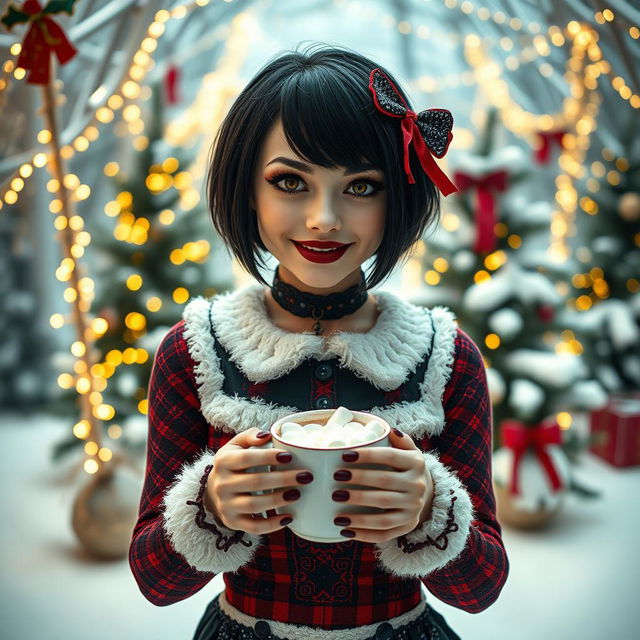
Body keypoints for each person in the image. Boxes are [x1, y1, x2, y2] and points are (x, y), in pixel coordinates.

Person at [129, 43, 509, 640]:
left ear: (397, 196)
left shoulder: (445, 356)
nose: (324, 218)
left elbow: (481, 589)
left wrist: (431, 507)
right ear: (246, 189)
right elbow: (155, 583)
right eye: (290, 181)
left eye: (361, 186)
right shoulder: (195, 351)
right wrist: (209, 504)